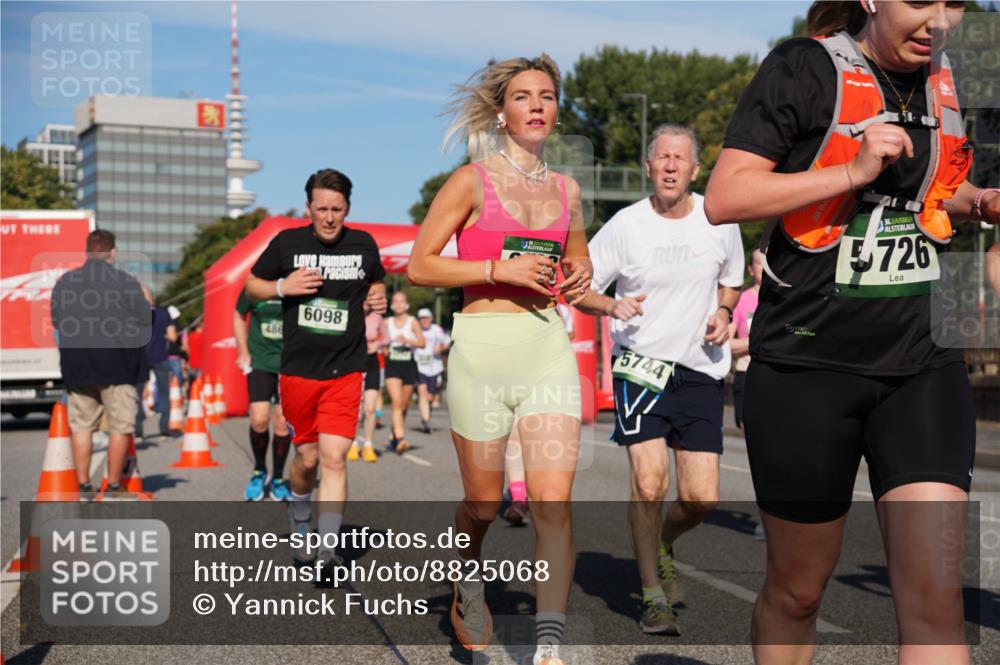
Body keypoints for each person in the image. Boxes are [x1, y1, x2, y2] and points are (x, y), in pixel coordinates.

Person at [704, 2, 1000, 663]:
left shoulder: (950, 80)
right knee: (798, 589)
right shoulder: (803, 68)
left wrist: (978, 201)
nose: (940, 21)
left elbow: (930, 186)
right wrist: (851, 171)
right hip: (808, 365)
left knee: (935, 596)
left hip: (923, 359)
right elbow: (725, 196)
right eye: (921, 2)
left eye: (953, 3)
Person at [408, 54, 592, 665]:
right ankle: (466, 575)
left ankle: (548, 645)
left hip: (546, 347)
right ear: (501, 112)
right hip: (482, 351)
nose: (537, 105)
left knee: (551, 500)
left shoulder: (569, 190)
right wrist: (496, 268)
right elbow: (420, 265)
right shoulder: (469, 181)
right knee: (484, 503)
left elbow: (576, 273)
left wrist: (591, 285)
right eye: (523, 96)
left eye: (546, 96)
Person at [575, 123, 744, 636]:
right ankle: (652, 596)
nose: (671, 165)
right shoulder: (625, 225)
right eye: (662, 157)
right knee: (650, 483)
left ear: (695, 170)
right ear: (649, 167)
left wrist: (723, 311)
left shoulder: (720, 221)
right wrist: (610, 302)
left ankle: (666, 543)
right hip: (640, 369)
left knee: (700, 498)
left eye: (681, 158)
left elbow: (732, 281)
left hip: (699, 369)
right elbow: (579, 288)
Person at [246, 168, 387, 569]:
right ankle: (300, 513)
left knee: (334, 457)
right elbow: (251, 286)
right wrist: (281, 287)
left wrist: (377, 297)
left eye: (337, 210)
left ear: (348, 209)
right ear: (308, 207)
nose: (329, 217)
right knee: (306, 460)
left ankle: (327, 549)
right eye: (321, 208)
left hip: (346, 369)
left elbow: (377, 282)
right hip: (297, 371)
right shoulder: (287, 243)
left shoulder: (363, 244)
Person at [50, 229, 149, 497]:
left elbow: (58, 321)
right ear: (113, 252)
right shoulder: (126, 281)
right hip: (118, 365)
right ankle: (114, 484)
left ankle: (83, 485)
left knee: (82, 426)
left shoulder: (65, 282)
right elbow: (144, 319)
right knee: (120, 426)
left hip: (77, 365)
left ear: (87, 251)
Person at [502, 299, 575, 526]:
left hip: (549, 379)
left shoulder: (561, 310)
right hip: (514, 375)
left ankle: (540, 491)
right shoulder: (509, 303)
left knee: (543, 441)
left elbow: (568, 338)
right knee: (515, 436)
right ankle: (519, 497)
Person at [234, 288, 293, 501]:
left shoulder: (295, 282)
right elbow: (238, 314)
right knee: (259, 419)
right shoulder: (256, 284)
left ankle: (277, 478)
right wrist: (243, 350)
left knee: (282, 423)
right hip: (259, 362)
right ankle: (259, 471)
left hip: (288, 364)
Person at [383, 291, 425, 453]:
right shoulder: (387, 322)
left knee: (404, 405)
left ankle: (394, 432)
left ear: (406, 304)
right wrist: (385, 349)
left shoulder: (412, 321)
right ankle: (400, 438)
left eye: (401, 301)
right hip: (392, 364)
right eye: (395, 301)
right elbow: (380, 340)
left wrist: (407, 340)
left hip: (408, 364)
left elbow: (422, 342)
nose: (399, 304)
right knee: (396, 402)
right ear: (392, 304)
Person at [349, 301, 389, 463]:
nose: (365, 301)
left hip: (372, 363)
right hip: (353, 364)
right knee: (356, 409)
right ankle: (353, 444)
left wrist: (377, 344)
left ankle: (368, 445)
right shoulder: (350, 314)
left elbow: (387, 338)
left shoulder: (377, 318)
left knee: (370, 407)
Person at [136, 284, 177, 441]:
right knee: (164, 393)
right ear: (152, 297)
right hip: (161, 357)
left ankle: (138, 431)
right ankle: (164, 430)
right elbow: (173, 337)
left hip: (141, 358)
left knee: (137, 395)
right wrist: (161, 337)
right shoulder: (164, 312)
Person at [730, 249, 763, 430]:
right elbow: (726, 344)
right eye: (759, 262)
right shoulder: (741, 300)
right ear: (751, 269)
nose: (765, 267)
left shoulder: (784, 300)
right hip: (746, 375)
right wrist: (759, 341)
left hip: (776, 377)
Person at [415, 307, 451, 434]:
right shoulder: (415, 330)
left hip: (435, 367)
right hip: (419, 366)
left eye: (426, 318)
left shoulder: (437, 330)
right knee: (423, 393)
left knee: (431, 397)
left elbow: (447, 341)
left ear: (431, 318)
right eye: (422, 318)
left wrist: (440, 348)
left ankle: (426, 416)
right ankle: (426, 421)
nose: (424, 320)